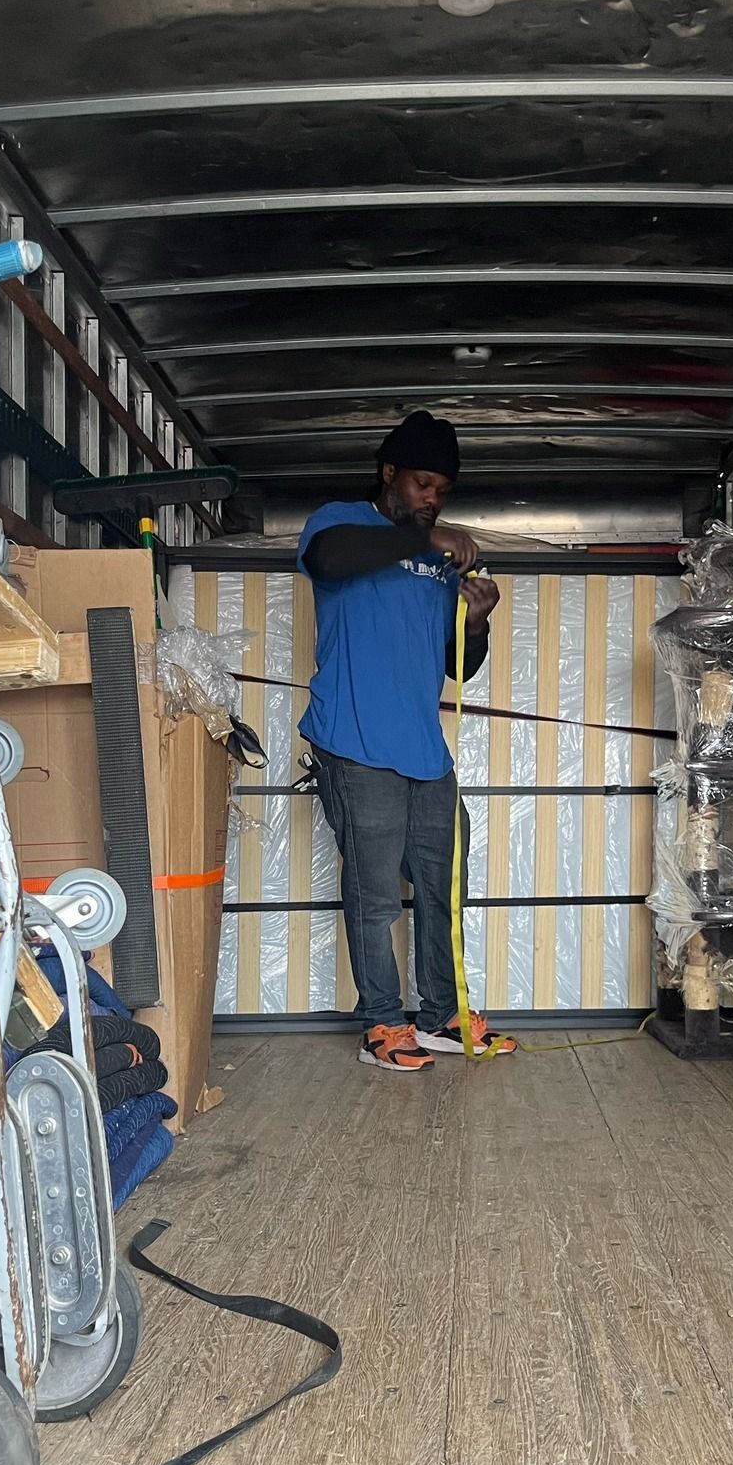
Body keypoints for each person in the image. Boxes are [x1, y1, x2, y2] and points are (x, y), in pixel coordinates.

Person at [298, 411, 518, 1070]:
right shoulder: (338, 524)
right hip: (354, 744)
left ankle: (442, 1017)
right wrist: (422, 537)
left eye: (442, 491)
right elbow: (328, 559)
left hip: (425, 753)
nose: (432, 498)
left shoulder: (439, 561)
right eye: (423, 484)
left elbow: (457, 667)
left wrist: (476, 623)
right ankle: (383, 1024)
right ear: (389, 472)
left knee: (442, 889)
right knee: (373, 898)